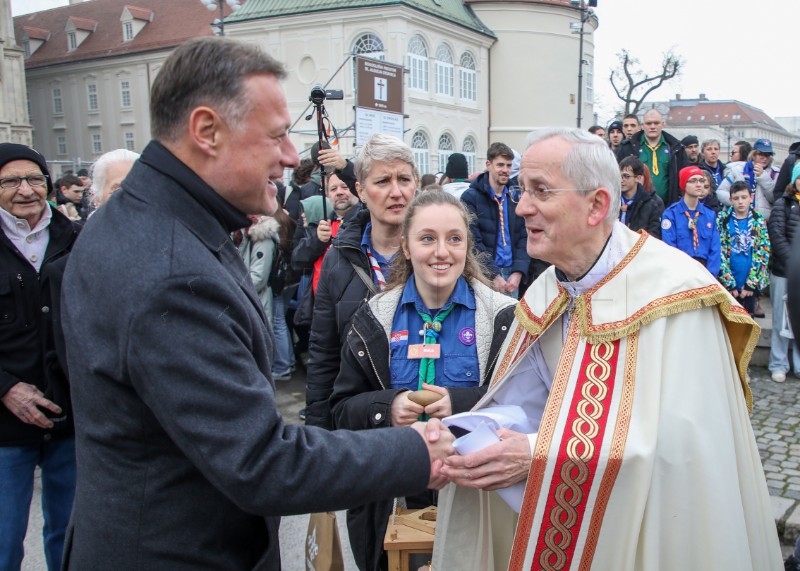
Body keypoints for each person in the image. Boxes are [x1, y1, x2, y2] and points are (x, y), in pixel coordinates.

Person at [59, 38, 453, 570]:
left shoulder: (145, 221)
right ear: (206, 131)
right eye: (275, 137)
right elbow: (261, 462)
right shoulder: (171, 269)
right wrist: (421, 451)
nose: (293, 156)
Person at [430, 127, 782, 570]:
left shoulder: (678, 295)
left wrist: (542, 455)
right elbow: (528, 401)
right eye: (521, 190)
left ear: (596, 205)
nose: (521, 208)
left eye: (540, 191)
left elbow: (685, 451)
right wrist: (476, 437)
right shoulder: (548, 290)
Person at [329, 190, 516, 570]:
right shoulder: (373, 318)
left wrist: (461, 404)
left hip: (475, 503)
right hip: (395, 504)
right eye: (427, 238)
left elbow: (528, 410)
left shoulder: (506, 318)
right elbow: (342, 410)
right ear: (406, 246)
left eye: (454, 239)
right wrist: (387, 408)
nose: (441, 252)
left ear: (467, 245)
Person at [0, 143, 80, 571]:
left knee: (68, 536)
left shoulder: (76, 236)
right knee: (3, 541)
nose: (25, 190)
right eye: (11, 180)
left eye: (34, 179)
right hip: (4, 423)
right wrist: (7, 388)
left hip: (68, 412)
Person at [305, 133, 418, 430]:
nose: (396, 192)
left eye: (404, 179)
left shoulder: (437, 254)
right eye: (382, 182)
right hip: (360, 423)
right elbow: (324, 355)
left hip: (424, 422)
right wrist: (318, 434)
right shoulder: (339, 259)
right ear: (362, 191)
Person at [461, 142, 528, 298]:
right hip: (484, 274)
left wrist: (518, 271)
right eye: (500, 165)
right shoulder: (471, 197)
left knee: (512, 320)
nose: (505, 170)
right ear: (489, 165)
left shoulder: (516, 196)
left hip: (512, 275)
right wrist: (493, 273)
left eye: (508, 165)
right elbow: (473, 240)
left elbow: (525, 235)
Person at [766, 163, 800, 383]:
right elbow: (777, 236)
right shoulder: (783, 204)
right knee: (781, 319)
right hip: (784, 271)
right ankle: (778, 363)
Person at [717, 181, 770, 316]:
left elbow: (763, 252)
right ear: (730, 200)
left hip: (749, 284)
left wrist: (751, 283)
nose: (740, 202)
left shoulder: (758, 220)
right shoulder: (723, 220)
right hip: (730, 283)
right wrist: (729, 283)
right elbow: (719, 252)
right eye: (736, 198)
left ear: (751, 198)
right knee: (730, 325)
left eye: (744, 197)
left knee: (748, 322)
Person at [615, 109, 688, 206]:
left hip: (669, 207)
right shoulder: (627, 147)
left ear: (663, 124)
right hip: (637, 208)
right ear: (642, 126)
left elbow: (684, 179)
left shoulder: (676, 148)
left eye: (656, 123)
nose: (652, 126)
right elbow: (616, 177)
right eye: (649, 123)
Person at [661, 166, 721, 276]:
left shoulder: (709, 215)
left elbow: (715, 249)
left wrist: (710, 276)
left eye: (701, 180)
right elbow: (669, 248)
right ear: (684, 184)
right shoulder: (671, 214)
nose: (698, 184)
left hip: (705, 273)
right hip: (681, 272)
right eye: (693, 181)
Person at [717, 138, 778, 219]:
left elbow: (773, 198)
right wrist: (737, 201)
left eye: (767, 155)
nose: (765, 158)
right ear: (753, 155)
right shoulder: (738, 169)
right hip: (737, 218)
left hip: (762, 221)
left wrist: (763, 177)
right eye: (761, 154)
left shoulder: (775, 173)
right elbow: (721, 192)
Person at [618, 156, 664, 238]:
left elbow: (654, 236)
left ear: (638, 178)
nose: (621, 180)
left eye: (626, 176)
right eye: (620, 176)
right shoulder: (613, 201)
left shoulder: (650, 205)